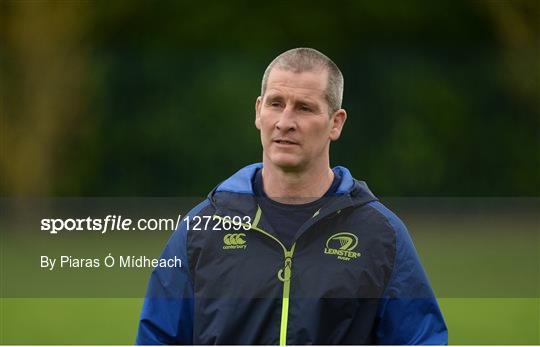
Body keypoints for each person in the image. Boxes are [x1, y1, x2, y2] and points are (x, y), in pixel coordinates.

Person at [136, 48, 448, 345]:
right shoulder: (199, 230)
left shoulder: (381, 236)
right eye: (276, 103)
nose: (285, 122)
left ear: (335, 123)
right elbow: (158, 339)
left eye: (304, 107)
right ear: (259, 112)